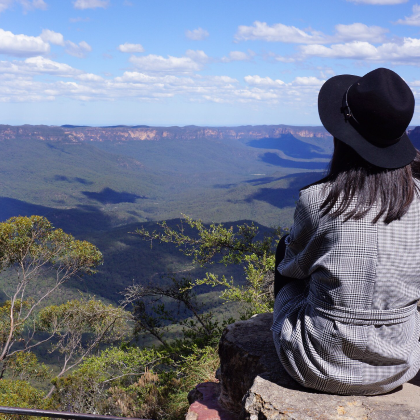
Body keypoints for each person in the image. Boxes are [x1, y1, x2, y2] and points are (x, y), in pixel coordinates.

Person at [271, 67, 420, 396]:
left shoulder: (317, 200)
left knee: (286, 250)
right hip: (398, 367)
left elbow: (292, 268)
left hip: (315, 364)